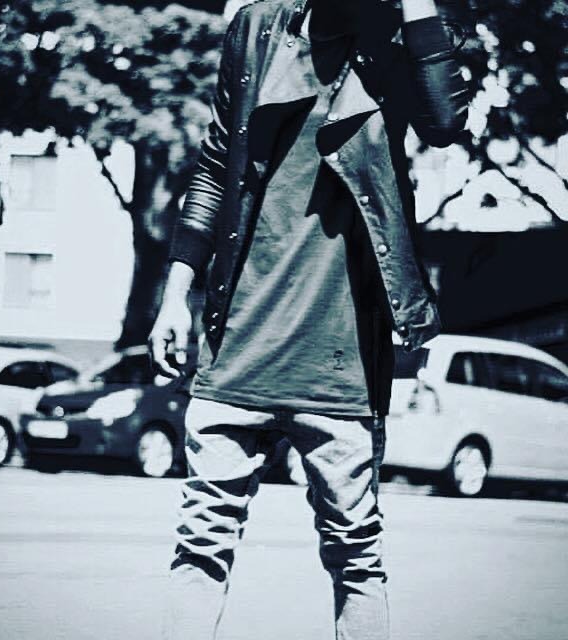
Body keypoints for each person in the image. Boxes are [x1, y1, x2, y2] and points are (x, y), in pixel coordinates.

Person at [149, 0, 469, 638]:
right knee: (200, 546)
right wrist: (174, 294)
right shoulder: (256, 31)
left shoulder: (396, 41)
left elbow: (443, 122)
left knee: (356, 555)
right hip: (235, 347)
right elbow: (215, 166)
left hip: (340, 362)